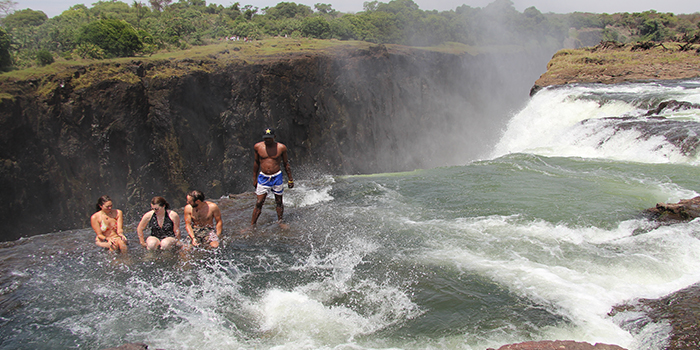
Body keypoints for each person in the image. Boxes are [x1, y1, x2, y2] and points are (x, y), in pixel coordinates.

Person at [251, 128, 294, 227]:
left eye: (269, 138)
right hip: (263, 177)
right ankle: (252, 225)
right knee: (259, 202)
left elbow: (286, 163)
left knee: (279, 201)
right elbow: (256, 162)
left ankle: (280, 221)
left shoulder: (281, 148)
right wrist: (254, 178)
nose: (267, 140)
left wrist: (290, 179)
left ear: (274, 137)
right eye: (266, 138)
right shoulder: (258, 147)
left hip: (277, 176)